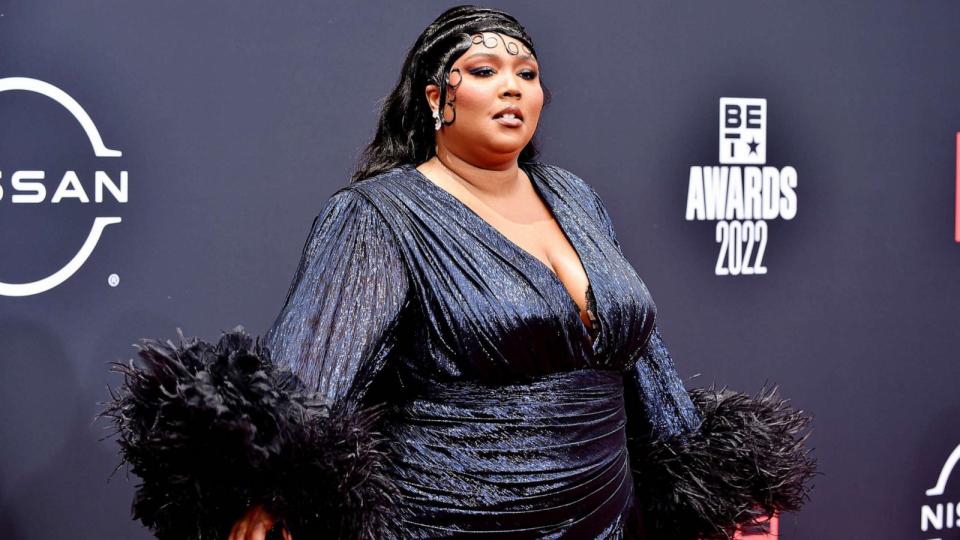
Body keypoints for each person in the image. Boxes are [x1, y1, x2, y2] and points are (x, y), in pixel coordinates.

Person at [102, 5, 815, 540]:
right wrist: (267, 491)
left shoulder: (576, 196)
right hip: (452, 524)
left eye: (527, 74)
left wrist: (714, 487)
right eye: (485, 71)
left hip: (607, 518)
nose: (513, 87)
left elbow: (641, 358)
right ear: (437, 98)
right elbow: (310, 371)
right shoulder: (380, 214)